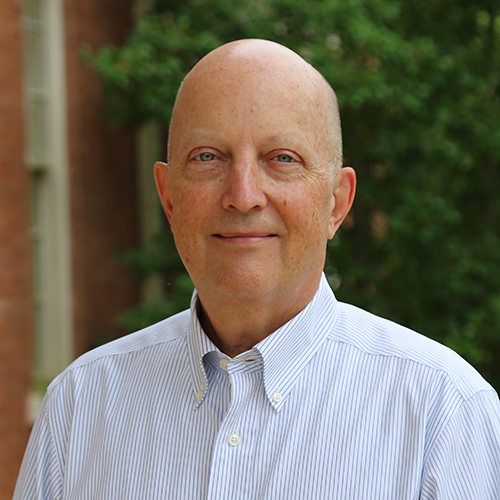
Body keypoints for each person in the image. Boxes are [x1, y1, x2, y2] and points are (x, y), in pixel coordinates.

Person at [14, 39, 500, 500]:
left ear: (337, 203)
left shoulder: (443, 413)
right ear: (168, 196)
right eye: (208, 158)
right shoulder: (79, 408)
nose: (243, 195)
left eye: (282, 159)